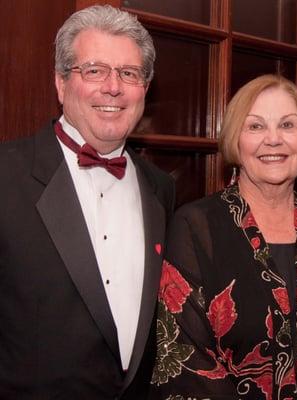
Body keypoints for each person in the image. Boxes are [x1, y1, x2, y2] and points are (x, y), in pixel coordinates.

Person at [0, 5, 175, 399]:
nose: (113, 87)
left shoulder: (162, 189)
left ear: (144, 88)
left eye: (129, 73)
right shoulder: (6, 178)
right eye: (94, 70)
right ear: (61, 83)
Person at [149, 75, 297, 400]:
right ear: (235, 142)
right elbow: (183, 356)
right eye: (255, 127)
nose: (273, 139)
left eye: (288, 125)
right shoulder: (196, 228)